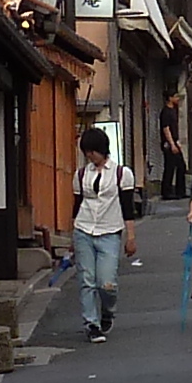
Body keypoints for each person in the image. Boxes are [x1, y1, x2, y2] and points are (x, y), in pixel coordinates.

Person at [69, 123, 129, 342]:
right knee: (87, 280)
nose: (90, 156)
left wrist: (130, 237)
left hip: (110, 231)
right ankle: (91, 324)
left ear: (102, 149)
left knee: (107, 282)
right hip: (83, 229)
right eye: (87, 152)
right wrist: (72, 235)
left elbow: (127, 207)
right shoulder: (81, 174)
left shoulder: (122, 174)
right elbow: (77, 205)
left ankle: (108, 311)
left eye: (92, 151)